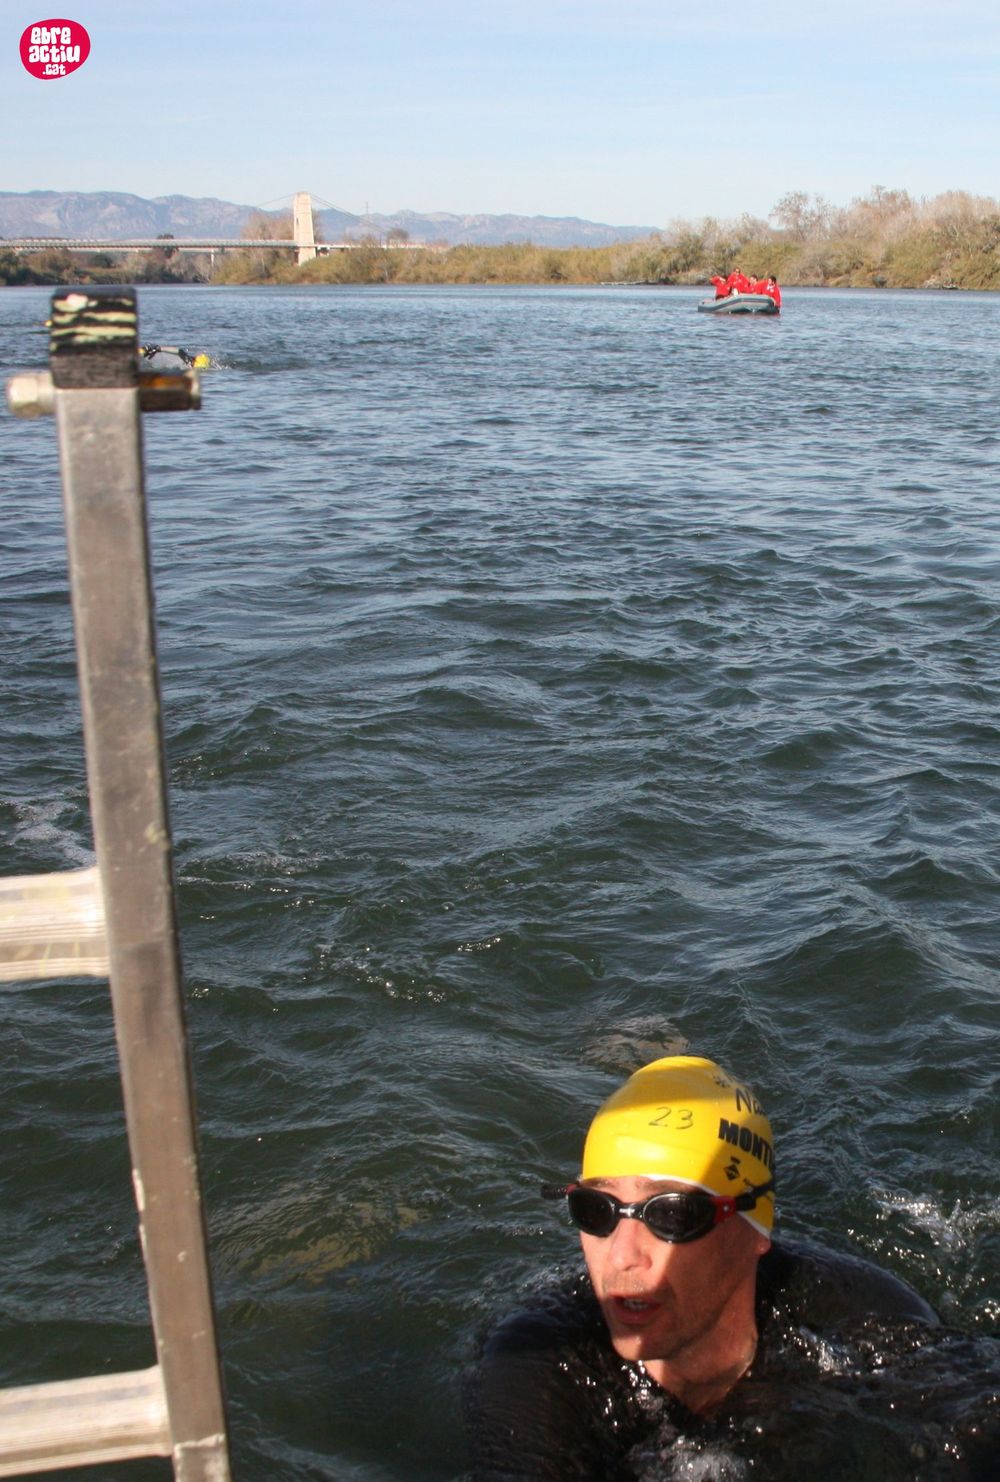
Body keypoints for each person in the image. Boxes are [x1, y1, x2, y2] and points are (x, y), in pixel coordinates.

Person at [466, 1055, 998, 1480]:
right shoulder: (538, 1362)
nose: (622, 1255)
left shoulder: (861, 1320)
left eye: (672, 1215)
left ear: (755, 1231)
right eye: (596, 1210)